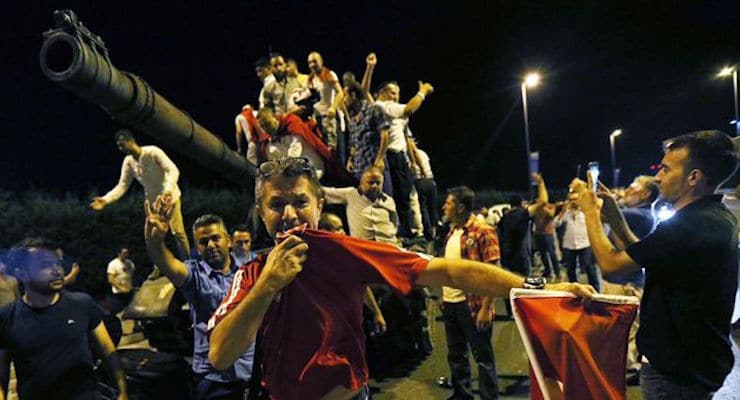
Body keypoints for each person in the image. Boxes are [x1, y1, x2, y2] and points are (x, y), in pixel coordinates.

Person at [205, 157, 594, 400]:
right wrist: (269, 284)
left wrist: (538, 288)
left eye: (300, 201)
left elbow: (448, 270)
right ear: (261, 210)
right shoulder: (252, 274)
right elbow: (220, 354)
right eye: (276, 204)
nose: (289, 214)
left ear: (319, 205)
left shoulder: (343, 250)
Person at [574, 130, 739, 399]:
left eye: (665, 169)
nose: (657, 177)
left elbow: (612, 267)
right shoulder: (711, 216)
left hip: (676, 374)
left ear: (693, 178)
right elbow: (644, 255)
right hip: (695, 365)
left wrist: (590, 213)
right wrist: (614, 215)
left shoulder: (690, 225)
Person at [144, 211, 254, 400]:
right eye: (203, 242)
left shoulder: (248, 271)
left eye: (215, 238)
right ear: (198, 248)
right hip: (215, 380)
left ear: (228, 241)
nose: (211, 245)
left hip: (251, 374)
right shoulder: (195, 275)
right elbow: (166, 262)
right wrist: (155, 240)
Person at [0, 238, 128, 400]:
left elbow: (108, 351)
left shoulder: (82, 304)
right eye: (45, 265)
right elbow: (2, 374)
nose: (58, 270)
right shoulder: (7, 316)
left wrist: (122, 391)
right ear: (21, 274)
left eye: (57, 263)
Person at [91, 129, 190, 260]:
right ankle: (159, 267)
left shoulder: (153, 152)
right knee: (154, 238)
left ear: (131, 141)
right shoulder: (128, 162)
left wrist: (168, 190)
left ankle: (190, 263)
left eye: (122, 144)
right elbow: (123, 185)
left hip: (170, 198)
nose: (120, 148)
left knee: (177, 233)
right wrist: (105, 199)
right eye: (118, 145)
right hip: (153, 204)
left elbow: (172, 169)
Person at [440, 186, 499, 400]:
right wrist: (443, 297)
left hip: (473, 306)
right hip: (451, 303)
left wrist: (486, 308)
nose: (444, 206)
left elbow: (494, 273)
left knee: (482, 358)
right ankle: (462, 395)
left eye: (448, 203)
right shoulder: (452, 231)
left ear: (461, 207)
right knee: (456, 355)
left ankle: (489, 397)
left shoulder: (483, 231)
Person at [373, 80, 435, 238]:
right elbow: (409, 109)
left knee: (408, 196)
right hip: (392, 156)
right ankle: (405, 232)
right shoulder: (384, 106)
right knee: (401, 196)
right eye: (393, 93)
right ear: (383, 93)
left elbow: (407, 140)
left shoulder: (397, 115)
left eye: (398, 93)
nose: (396, 97)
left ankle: (413, 231)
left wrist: (414, 162)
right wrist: (422, 92)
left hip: (401, 157)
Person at [322, 167, 400, 245]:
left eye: (378, 183)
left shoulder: (389, 201)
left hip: (388, 245)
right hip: (363, 247)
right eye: (370, 182)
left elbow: (394, 223)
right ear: (361, 183)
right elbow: (323, 192)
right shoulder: (351, 194)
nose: (374, 186)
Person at [555, 179, 600, 292]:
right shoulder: (566, 212)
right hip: (569, 245)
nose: (573, 201)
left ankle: (597, 291)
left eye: (575, 199)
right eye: (571, 200)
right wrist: (562, 212)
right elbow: (556, 224)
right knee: (570, 269)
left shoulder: (585, 211)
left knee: (590, 268)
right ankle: (574, 290)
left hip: (585, 244)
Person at [306, 52, 343, 150]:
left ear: (321, 61)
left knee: (333, 150)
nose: (312, 65)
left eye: (314, 61)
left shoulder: (329, 74)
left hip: (329, 117)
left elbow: (340, 92)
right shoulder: (311, 79)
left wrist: (333, 107)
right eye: (309, 62)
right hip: (317, 119)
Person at [107, 247, 136, 315]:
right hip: (118, 293)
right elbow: (110, 279)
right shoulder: (113, 264)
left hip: (129, 291)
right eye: (124, 253)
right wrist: (120, 288)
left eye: (127, 253)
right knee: (117, 311)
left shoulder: (129, 263)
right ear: (119, 254)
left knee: (130, 311)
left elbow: (132, 274)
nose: (126, 255)